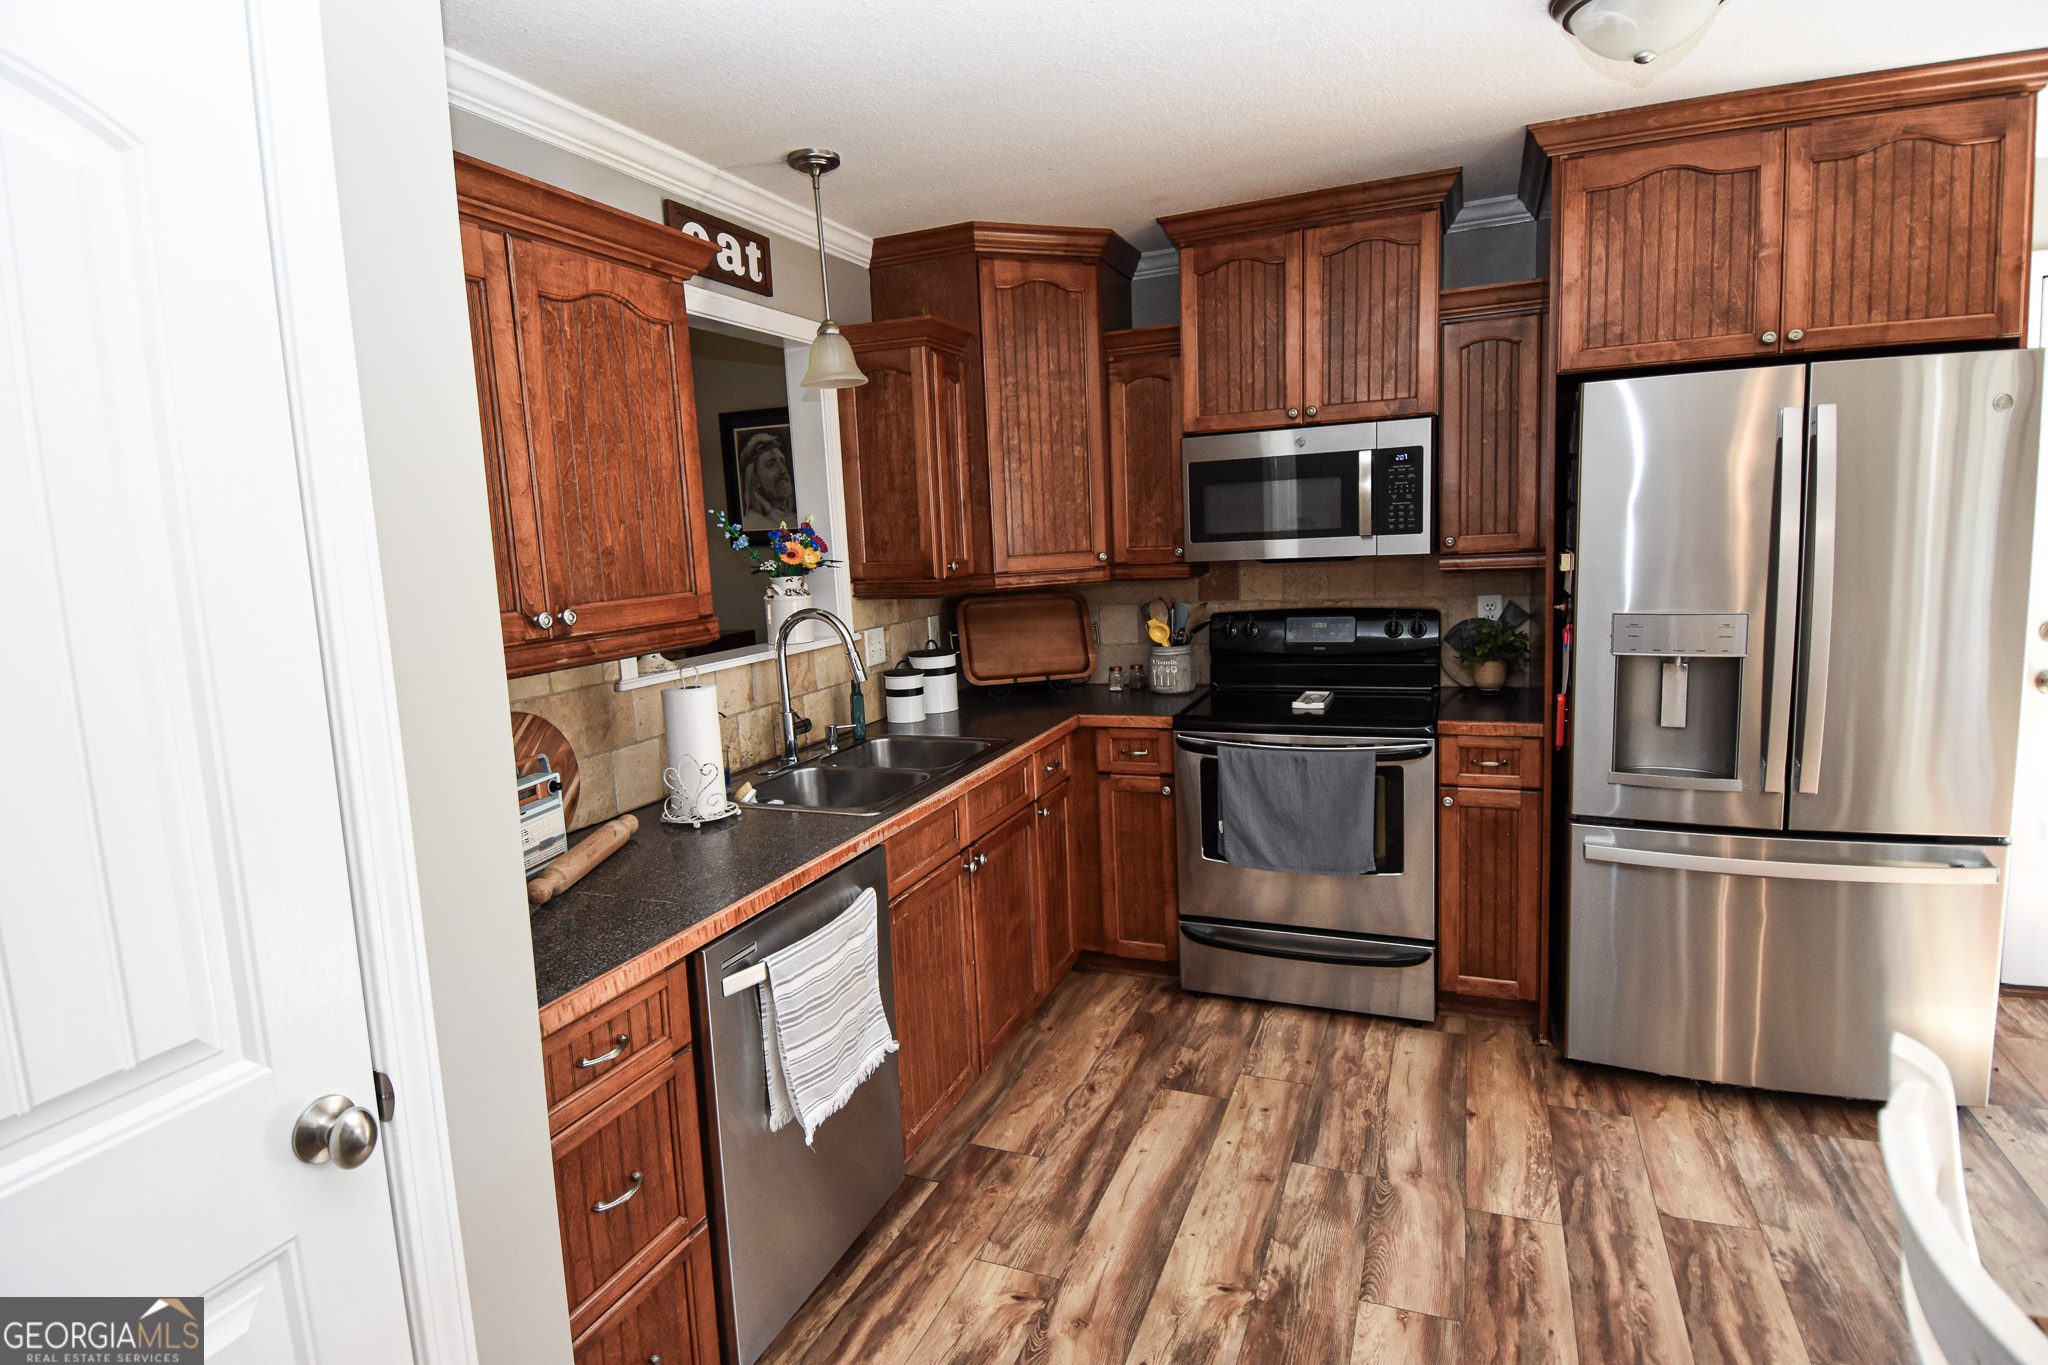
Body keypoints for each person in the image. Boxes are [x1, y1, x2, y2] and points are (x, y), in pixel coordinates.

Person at [736, 429, 795, 526]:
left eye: (782, 461)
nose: (783, 470)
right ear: (756, 480)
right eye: (771, 464)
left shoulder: (796, 519)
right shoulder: (751, 524)